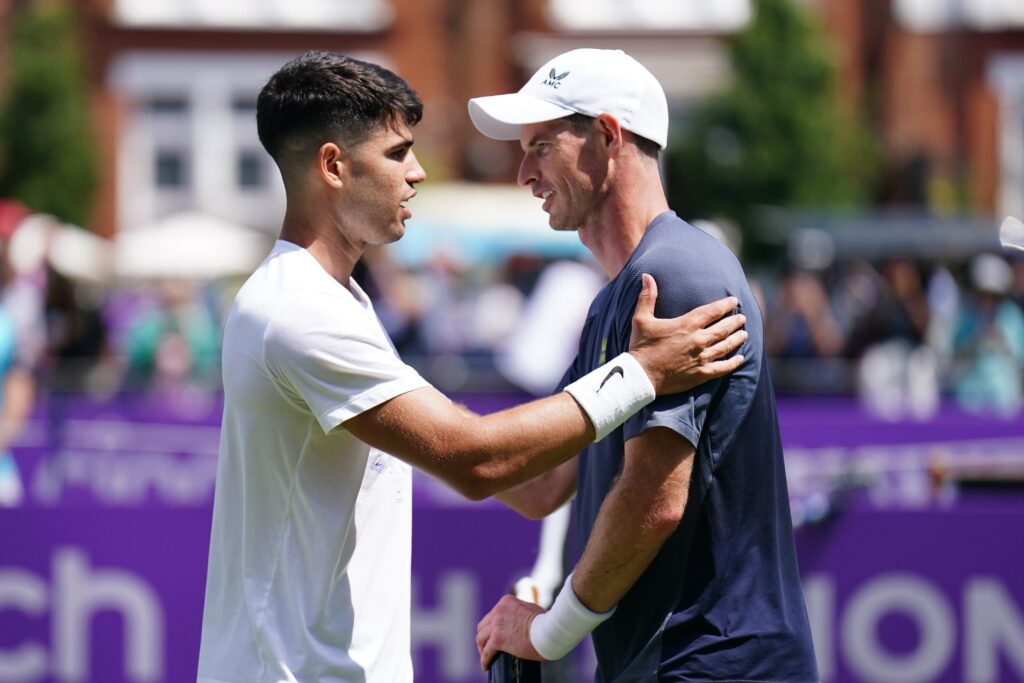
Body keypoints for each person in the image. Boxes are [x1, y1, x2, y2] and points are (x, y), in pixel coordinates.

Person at [196, 51, 748, 683]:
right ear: (333, 166)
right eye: (398, 153)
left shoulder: (329, 300)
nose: (418, 173)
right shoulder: (296, 310)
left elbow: (535, 482)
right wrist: (641, 374)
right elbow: (475, 459)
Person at [469, 48, 818, 681]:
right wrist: (393, 418)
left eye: (540, 146)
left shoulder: (675, 275)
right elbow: (545, 478)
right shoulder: (618, 297)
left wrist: (549, 633)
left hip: (712, 665)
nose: (523, 171)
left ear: (606, 137)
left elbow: (654, 501)